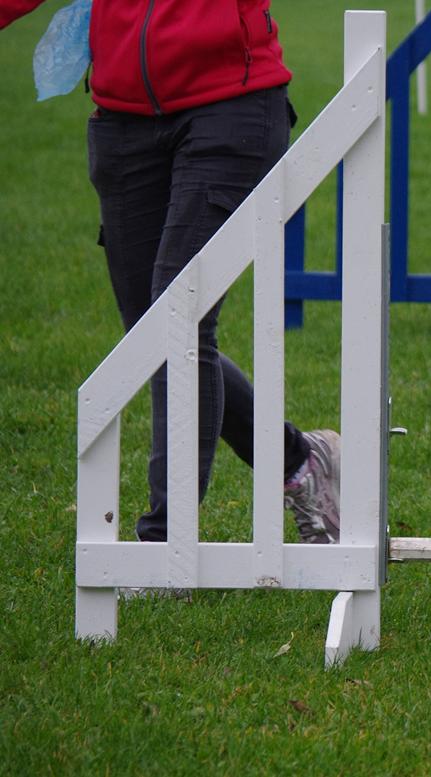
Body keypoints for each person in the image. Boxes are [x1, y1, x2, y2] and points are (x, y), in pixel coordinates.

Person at [2, 0, 342, 545]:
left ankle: (164, 545)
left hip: (231, 108)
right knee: (153, 338)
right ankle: (302, 461)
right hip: (122, 120)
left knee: (179, 319)